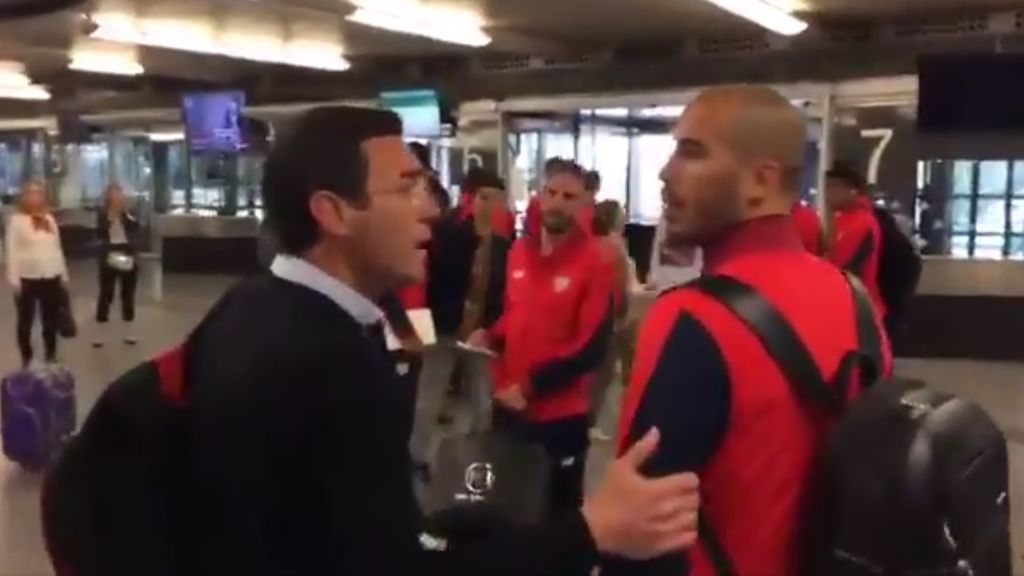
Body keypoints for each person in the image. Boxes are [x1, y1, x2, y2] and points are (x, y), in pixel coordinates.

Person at [177, 106, 700, 576]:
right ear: (333, 212)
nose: (430, 209)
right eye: (406, 188)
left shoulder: (248, 309)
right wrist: (595, 530)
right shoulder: (330, 366)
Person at [612, 87, 893, 576]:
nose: (665, 171)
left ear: (761, 180)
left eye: (691, 152)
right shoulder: (856, 302)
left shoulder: (692, 318)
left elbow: (641, 533)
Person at [470, 159, 616, 518]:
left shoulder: (597, 260)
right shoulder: (520, 252)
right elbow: (516, 314)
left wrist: (530, 387)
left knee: (557, 515)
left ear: (585, 204)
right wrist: (489, 334)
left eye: (569, 196)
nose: (557, 202)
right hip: (508, 407)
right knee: (506, 506)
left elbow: (591, 346)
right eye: (551, 192)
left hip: (559, 417)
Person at [414, 169, 511, 470]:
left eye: (497, 200)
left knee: (484, 400)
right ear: (470, 198)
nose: (490, 206)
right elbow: (427, 280)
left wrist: (493, 327)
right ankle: (418, 460)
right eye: (484, 198)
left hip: (482, 333)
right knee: (428, 397)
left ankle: (479, 462)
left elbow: (503, 289)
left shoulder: (504, 245)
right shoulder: (446, 233)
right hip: (443, 326)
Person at [589, 200, 639, 442]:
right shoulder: (615, 244)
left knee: (603, 371)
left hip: (600, 313)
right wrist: (621, 314)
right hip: (614, 315)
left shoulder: (594, 243)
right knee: (607, 372)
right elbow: (621, 285)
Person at [5, 180, 69, 366]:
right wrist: (13, 279)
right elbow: (12, 251)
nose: (35, 196)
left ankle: (51, 355)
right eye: (31, 193)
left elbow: (57, 248)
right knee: (25, 321)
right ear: (24, 197)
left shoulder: (49, 219)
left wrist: (63, 275)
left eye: (38, 193)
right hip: (27, 278)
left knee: (50, 319)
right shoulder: (17, 221)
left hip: (51, 275)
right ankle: (27, 358)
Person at [824, 161, 886, 316]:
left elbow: (845, 270)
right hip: (848, 305)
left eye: (832, 187)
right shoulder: (842, 220)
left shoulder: (862, 223)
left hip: (859, 311)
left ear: (851, 191)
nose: (827, 193)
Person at [94, 183, 141, 347]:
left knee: (127, 293)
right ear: (108, 197)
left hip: (126, 252)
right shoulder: (102, 213)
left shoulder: (128, 212)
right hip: (110, 253)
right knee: (106, 293)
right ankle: (100, 332)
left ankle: (129, 331)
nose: (117, 197)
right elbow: (99, 232)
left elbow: (136, 227)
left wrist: (125, 214)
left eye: (119, 193)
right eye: (113, 194)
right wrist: (110, 218)